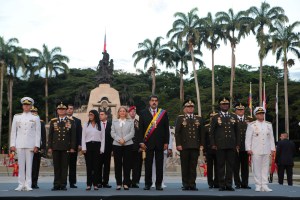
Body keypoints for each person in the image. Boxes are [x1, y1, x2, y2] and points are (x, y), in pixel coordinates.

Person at [139, 95, 170, 191]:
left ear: (158, 102)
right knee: (148, 164)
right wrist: (141, 142)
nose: (154, 102)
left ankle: (158, 184)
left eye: (156, 101)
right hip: (148, 143)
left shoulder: (163, 113)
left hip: (160, 143)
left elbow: (166, 129)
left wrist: (166, 142)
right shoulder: (143, 113)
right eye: (152, 100)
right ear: (149, 102)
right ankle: (148, 184)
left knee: (159, 165)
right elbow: (141, 129)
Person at [10, 97, 41, 191]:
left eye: (28, 105)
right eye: (24, 105)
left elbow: (37, 132)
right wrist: (12, 144)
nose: (26, 107)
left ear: (31, 106)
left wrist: (37, 145)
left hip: (30, 144)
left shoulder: (35, 117)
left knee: (29, 165)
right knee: (21, 165)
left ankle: (28, 184)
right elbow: (13, 131)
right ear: (22, 106)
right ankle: (20, 184)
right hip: (19, 143)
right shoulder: (17, 116)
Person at [210, 97, 239, 191]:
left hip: (231, 145)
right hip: (220, 145)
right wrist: (213, 144)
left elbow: (237, 132)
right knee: (220, 165)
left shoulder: (233, 116)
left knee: (230, 165)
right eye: (223, 104)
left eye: (226, 104)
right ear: (220, 106)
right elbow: (212, 132)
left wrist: (237, 143)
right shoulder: (215, 117)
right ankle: (221, 184)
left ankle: (229, 184)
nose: (225, 105)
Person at [175, 99, 204, 191]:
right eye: (188, 107)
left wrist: (201, 144)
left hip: (195, 145)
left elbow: (202, 133)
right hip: (184, 146)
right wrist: (178, 144)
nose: (190, 108)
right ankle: (185, 184)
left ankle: (192, 184)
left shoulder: (198, 118)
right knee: (185, 166)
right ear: (185, 108)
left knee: (193, 166)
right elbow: (177, 133)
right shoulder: (180, 118)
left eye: (192, 107)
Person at [245, 107, 275, 192]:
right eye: (259, 114)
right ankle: (258, 185)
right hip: (256, 149)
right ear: (256, 115)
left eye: (262, 113)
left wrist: (272, 148)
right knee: (257, 168)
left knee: (265, 168)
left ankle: (265, 185)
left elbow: (271, 137)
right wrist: (248, 148)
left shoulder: (268, 124)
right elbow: (248, 138)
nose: (261, 115)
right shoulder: (252, 125)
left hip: (266, 149)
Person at [48, 102, 76, 191]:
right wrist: (49, 147)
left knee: (64, 167)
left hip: (66, 147)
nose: (61, 111)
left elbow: (73, 136)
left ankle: (63, 184)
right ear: (57, 111)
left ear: (66, 111)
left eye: (63, 109)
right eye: (59, 109)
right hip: (56, 147)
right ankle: (56, 184)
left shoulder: (70, 121)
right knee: (56, 167)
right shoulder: (53, 121)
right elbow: (50, 135)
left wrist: (72, 147)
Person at [111, 106, 135, 190]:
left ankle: (126, 183)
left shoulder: (130, 122)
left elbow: (132, 133)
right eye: (120, 111)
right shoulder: (114, 122)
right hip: (117, 145)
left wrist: (124, 139)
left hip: (128, 145)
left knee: (127, 165)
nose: (122, 112)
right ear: (118, 113)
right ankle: (118, 183)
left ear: (126, 112)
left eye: (124, 111)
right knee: (117, 164)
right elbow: (112, 133)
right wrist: (119, 139)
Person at [81, 110, 105, 190]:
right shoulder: (86, 124)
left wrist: (102, 148)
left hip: (97, 146)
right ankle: (88, 184)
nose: (90, 116)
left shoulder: (100, 124)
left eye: (91, 114)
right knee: (89, 166)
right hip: (88, 146)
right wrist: (83, 148)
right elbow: (83, 137)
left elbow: (103, 138)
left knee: (96, 166)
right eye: (89, 114)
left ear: (95, 115)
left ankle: (95, 184)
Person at [233, 103, 253, 189]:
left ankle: (245, 183)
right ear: (236, 111)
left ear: (244, 110)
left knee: (245, 167)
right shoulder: (232, 119)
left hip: (246, 147)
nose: (240, 111)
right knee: (236, 166)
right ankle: (237, 183)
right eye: (238, 110)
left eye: (242, 110)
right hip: (235, 147)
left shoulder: (250, 119)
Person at [66, 103, 82, 188]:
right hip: (63, 146)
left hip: (74, 146)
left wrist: (80, 144)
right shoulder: (61, 120)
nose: (69, 110)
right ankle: (62, 182)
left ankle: (72, 182)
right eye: (68, 108)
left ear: (73, 110)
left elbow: (79, 134)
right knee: (63, 165)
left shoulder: (77, 121)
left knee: (72, 165)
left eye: (71, 108)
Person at [30, 106, 46, 189]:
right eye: (32, 112)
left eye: (35, 112)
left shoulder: (41, 122)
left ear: (37, 113)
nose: (33, 113)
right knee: (27, 166)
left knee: (36, 166)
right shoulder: (26, 121)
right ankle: (27, 181)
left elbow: (43, 136)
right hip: (28, 146)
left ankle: (34, 182)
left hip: (37, 147)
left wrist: (43, 148)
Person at [128, 106, 143, 188]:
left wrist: (141, 145)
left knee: (137, 166)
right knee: (128, 165)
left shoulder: (139, 122)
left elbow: (142, 134)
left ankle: (135, 181)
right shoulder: (126, 122)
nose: (133, 113)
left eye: (134, 111)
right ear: (129, 113)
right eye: (131, 111)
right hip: (128, 146)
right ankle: (127, 180)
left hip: (137, 147)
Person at [204, 112, 219, 189]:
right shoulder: (206, 127)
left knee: (218, 167)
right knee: (209, 167)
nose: (212, 118)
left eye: (214, 117)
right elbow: (204, 140)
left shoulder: (219, 126)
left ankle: (217, 182)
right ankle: (210, 182)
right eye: (211, 116)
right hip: (209, 149)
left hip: (218, 149)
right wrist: (204, 152)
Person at [99, 110, 113, 188]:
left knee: (107, 166)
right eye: (100, 114)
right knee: (99, 166)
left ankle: (105, 182)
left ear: (106, 116)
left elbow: (112, 137)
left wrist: (112, 149)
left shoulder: (111, 125)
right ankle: (99, 182)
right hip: (99, 149)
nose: (100, 116)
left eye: (102, 114)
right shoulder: (97, 125)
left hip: (108, 148)